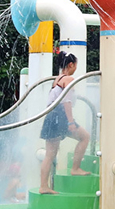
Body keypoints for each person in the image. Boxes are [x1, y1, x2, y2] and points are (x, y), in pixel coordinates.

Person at [38, 52, 91, 194]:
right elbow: (66, 101)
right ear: (71, 65)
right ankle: (75, 168)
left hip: (51, 116)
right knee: (85, 137)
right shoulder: (68, 79)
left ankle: (44, 186)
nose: (75, 68)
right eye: (76, 65)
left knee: (50, 154)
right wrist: (70, 122)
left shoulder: (58, 78)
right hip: (59, 116)